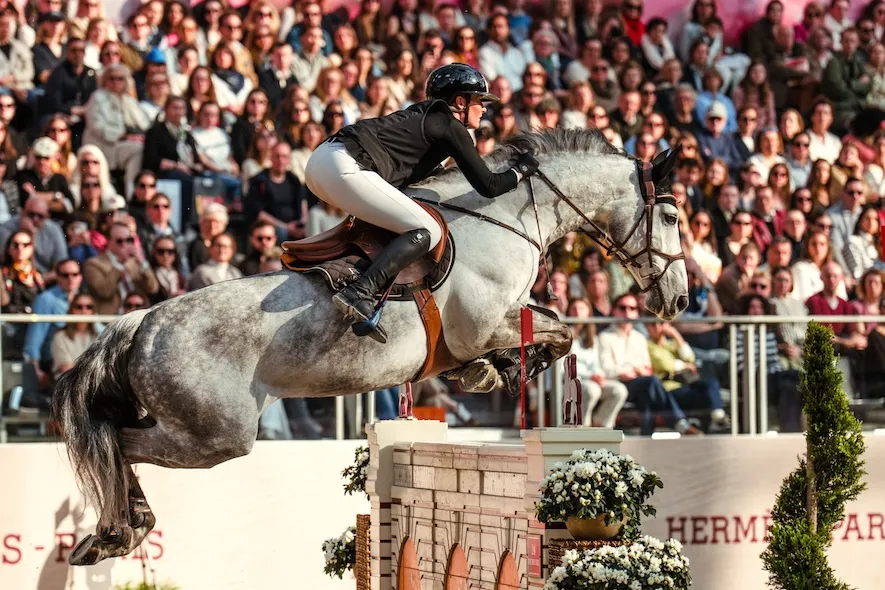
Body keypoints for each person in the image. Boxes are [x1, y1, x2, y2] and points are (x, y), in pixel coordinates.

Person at [304, 63, 538, 343]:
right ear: (459, 102)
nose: (484, 108)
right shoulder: (449, 125)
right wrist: (522, 169)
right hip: (343, 165)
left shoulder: (426, 120)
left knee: (403, 220)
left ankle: (361, 283)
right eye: (479, 101)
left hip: (325, 163)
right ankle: (360, 291)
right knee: (429, 230)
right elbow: (489, 186)